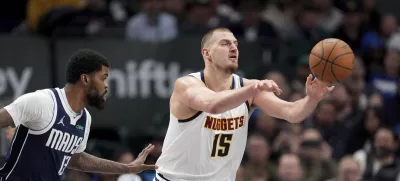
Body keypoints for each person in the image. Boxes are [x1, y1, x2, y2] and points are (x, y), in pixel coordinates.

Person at [153, 28, 334, 181]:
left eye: (235, 44)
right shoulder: (187, 84)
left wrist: (312, 99)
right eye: (225, 43)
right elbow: (212, 105)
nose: (233, 48)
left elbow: (292, 113)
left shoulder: (249, 88)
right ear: (206, 53)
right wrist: (252, 89)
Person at [0, 49, 158, 181]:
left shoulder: (85, 118)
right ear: (85, 79)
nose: (107, 85)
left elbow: (76, 158)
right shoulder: (42, 102)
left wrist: (128, 168)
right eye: (103, 78)